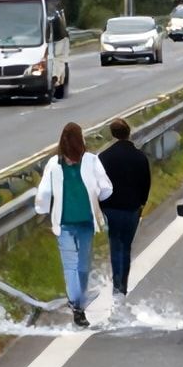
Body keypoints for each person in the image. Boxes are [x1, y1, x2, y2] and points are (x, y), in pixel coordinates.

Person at [33, 123, 113, 328]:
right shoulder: (91, 161)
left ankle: (76, 305)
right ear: (81, 141)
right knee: (83, 265)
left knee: (70, 266)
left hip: (64, 223)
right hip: (87, 221)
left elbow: (43, 193)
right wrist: (96, 197)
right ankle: (79, 304)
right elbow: (106, 188)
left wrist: (42, 210)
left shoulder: (54, 163)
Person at [98, 118, 152, 311]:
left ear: (113, 134)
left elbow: (99, 184)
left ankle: (117, 287)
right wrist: (142, 203)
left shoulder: (104, 157)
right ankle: (123, 287)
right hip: (132, 208)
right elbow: (146, 182)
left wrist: (101, 205)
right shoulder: (140, 157)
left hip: (111, 208)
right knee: (126, 247)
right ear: (129, 133)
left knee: (115, 244)